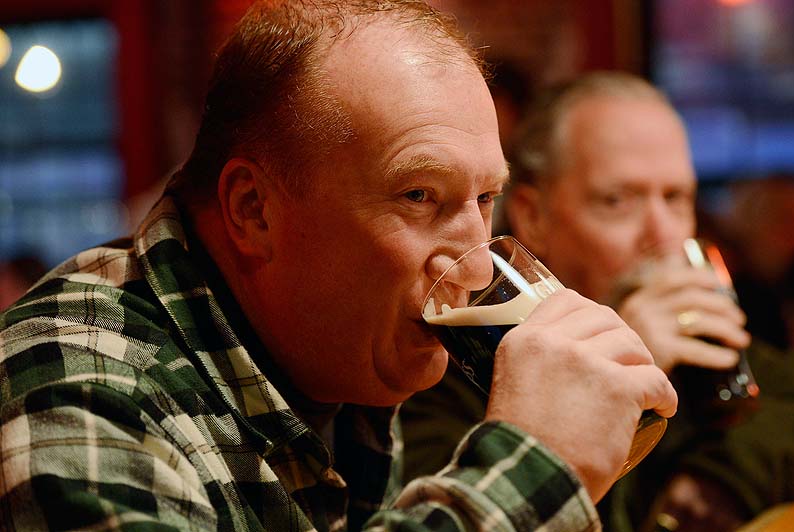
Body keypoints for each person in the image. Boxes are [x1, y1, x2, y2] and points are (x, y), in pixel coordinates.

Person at [0, 4, 677, 531]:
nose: (475, 272)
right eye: (419, 196)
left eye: (484, 199)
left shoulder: (336, 354)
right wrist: (533, 467)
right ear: (253, 210)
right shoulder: (75, 384)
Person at [401, 71, 794, 531]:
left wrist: (713, 485)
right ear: (534, 218)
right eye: (617, 201)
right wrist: (618, 375)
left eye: (675, 198)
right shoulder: (447, 366)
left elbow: (787, 405)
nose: (662, 235)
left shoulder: (699, 336)